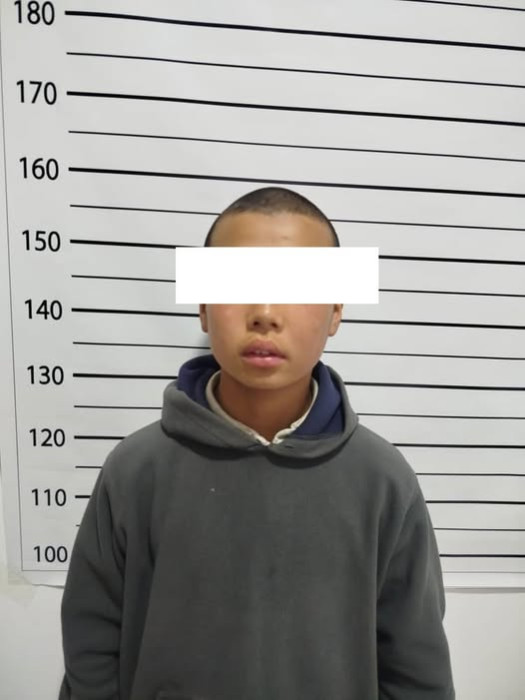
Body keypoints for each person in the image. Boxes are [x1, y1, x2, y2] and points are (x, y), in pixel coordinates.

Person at [59, 186, 455, 700]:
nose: (265, 312)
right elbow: (91, 649)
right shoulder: (136, 470)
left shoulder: (383, 482)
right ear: (203, 306)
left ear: (336, 310)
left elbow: (416, 668)